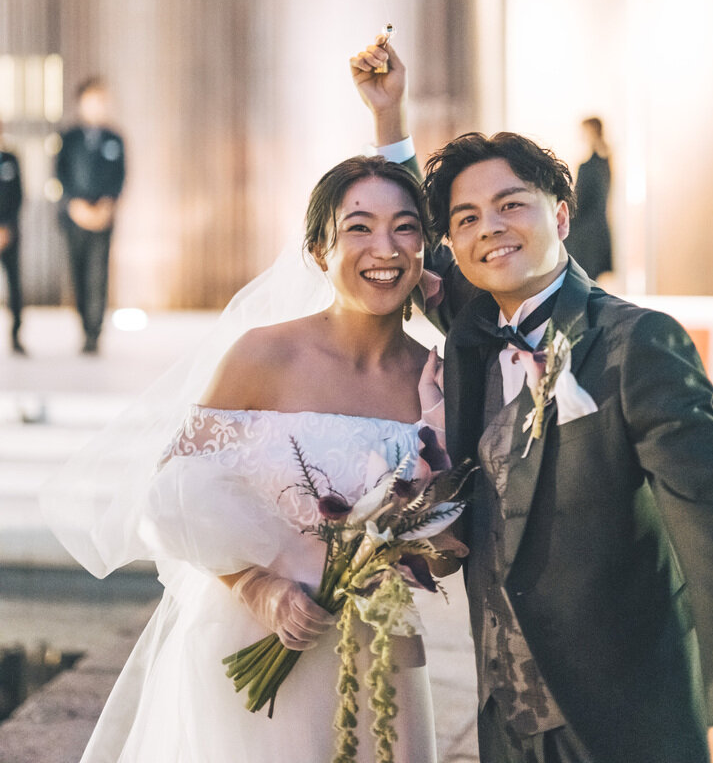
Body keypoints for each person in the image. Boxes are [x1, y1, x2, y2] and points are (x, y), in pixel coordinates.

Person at [351, 34, 713, 763]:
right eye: (466, 218)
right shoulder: (473, 330)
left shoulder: (637, 341)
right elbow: (419, 240)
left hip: (630, 712)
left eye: (510, 205)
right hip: (507, 712)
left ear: (559, 216)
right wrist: (388, 118)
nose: (489, 228)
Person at [44, 154, 448, 763]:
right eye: (359, 227)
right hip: (248, 639)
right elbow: (171, 493)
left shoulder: (435, 382)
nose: (384, 248)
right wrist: (258, 587)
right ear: (319, 250)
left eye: (405, 227)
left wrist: (422, 538)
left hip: (378, 651)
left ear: (423, 248)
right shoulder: (263, 356)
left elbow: (448, 542)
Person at [55, 78, 125, 353]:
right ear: (81, 102)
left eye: (102, 100)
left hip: (103, 219)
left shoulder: (114, 138)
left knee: (98, 275)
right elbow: (60, 174)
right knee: (79, 274)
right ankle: (84, 324)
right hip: (74, 218)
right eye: (93, 100)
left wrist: (106, 205)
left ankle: (95, 332)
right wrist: (76, 205)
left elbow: (120, 176)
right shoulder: (68, 138)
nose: (98, 106)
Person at [567, 117, 612, 281]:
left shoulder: (590, 166)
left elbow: (580, 202)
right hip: (596, 230)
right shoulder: (605, 162)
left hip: (585, 234)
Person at [0, 121, 25, 354]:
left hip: (9, 233)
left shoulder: (10, 160)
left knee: (15, 285)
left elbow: (18, 196)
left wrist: (6, 227)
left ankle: (16, 334)